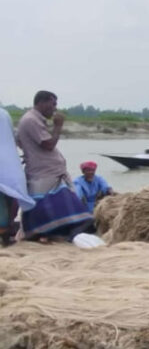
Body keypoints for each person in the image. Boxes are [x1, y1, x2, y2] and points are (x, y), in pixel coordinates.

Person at [16, 91, 93, 241]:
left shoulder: (34, 120)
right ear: (41, 102)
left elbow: (21, 142)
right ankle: (35, 234)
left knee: (58, 204)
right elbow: (49, 144)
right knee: (43, 205)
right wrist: (58, 126)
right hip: (44, 173)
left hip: (50, 172)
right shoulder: (31, 120)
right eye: (53, 104)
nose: (55, 108)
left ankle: (53, 234)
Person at [0, 107, 35, 245]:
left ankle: (4, 233)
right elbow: (15, 137)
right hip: (9, 165)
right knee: (8, 200)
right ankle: (5, 234)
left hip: (7, 163)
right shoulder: (5, 114)